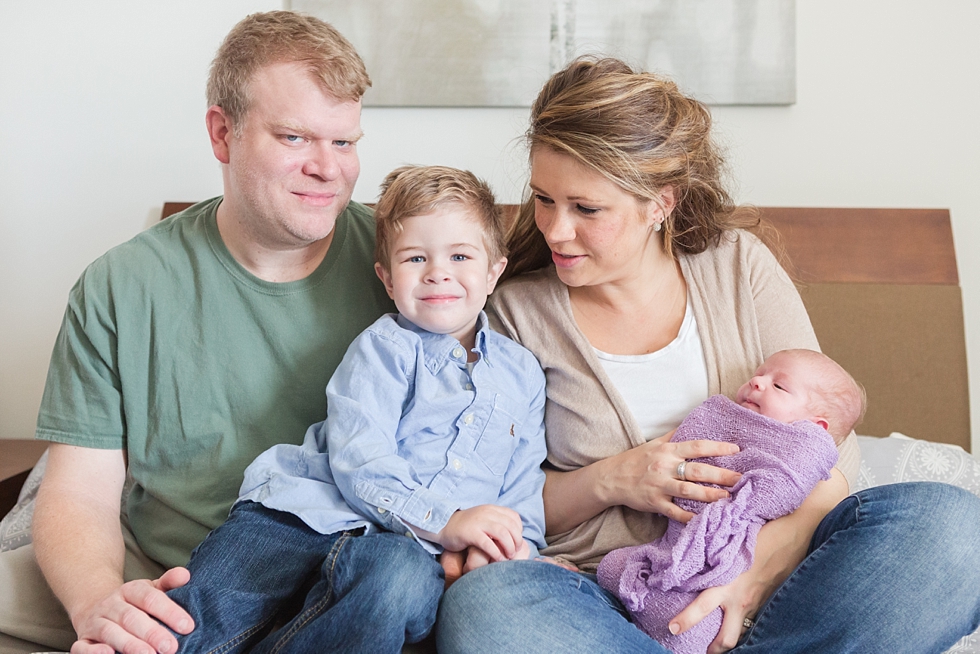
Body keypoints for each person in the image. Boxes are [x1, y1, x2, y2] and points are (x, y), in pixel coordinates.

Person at [436, 56, 980, 654]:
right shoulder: (513, 314)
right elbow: (491, 493)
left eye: (586, 208)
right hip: (606, 595)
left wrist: (751, 575)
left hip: (780, 584)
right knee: (489, 607)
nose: (554, 230)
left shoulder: (739, 266)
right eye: (543, 199)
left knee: (954, 529)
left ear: (659, 204)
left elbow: (829, 449)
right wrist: (615, 479)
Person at [0, 11, 396, 654]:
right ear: (223, 133)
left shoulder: (407, 266)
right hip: (165, 581)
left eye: (345, 143)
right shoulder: (122, 283)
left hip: (339, 582)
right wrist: (100, 603)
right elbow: (78, 489)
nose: (329, 169)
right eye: (295, 138)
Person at [164, 165, 547, 653]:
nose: (438, 272)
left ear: (495, 271)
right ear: (387, 279)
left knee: (396, 590)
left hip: (403, 550)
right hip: (301, 515)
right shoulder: (383, 348)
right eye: (415, 258)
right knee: (200, 618)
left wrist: (516, 548)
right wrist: (448, 520)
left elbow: (522, 485)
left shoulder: (523, 374)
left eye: (459, 255)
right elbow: (359, 458)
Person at [597, 349, 865, 654]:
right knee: (611, 567)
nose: (756, 381)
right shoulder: (725, 420)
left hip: (732, 559)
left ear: (816, 429)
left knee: (689, 625)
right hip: (670, 542)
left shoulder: (802, 453)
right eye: (759, 374)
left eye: (779, 386)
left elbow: (778, 491)